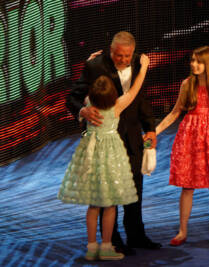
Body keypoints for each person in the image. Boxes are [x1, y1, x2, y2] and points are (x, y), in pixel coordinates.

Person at [66, 31, 161, 255]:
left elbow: (140, 97)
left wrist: (150, 128)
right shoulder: (95, 66)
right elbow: (73, 97)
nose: (123, 60)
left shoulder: (138, 63)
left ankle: (136, 235)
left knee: (134, 187)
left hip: (132, 135)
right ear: (111, 51)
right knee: (109, 193)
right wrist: (83, 110)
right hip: (106, 140)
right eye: (119, 56)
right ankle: (113, 239)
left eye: (127, 56)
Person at [155, 46, 209, 246]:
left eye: (198, 61)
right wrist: (156, 131)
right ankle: (182, 231)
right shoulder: (187, 84)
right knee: (188, 186)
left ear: (208, 64)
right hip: (191, 136)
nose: (194, 65)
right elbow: (175, 112)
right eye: (192, 60)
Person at [58, 66, 148, 260]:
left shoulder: (88, 103)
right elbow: (134, 89)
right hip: (110, 159)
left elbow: (79, 91)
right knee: (110, 205)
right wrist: (144, 68)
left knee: (93, 205)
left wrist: (88, 63)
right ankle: (106, 247)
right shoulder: (117, 106)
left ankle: (92, 248)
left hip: (91, 159)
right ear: (113, 94)